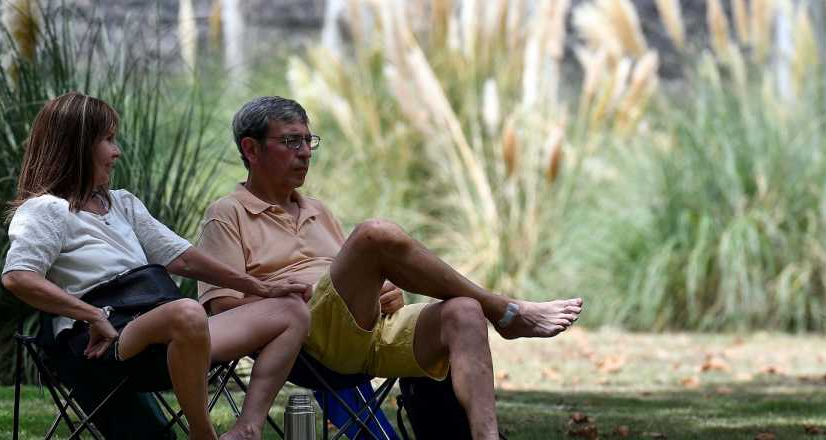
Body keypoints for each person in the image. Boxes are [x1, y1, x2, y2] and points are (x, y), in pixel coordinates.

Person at [196, 96, 585, 440]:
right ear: (251, 149)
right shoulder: (226, 215)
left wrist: (378, 291)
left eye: (308, 141)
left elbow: (345, 278)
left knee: (463, 312)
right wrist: (288, 293)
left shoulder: (318, 210)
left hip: (369, 331)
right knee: (374, 234)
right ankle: (504, 309)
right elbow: (221, 311)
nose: (305, 152)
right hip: (305, 339)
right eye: (290, 141)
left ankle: (486, 434)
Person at [1, 92, 311, 440]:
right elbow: (18, 277)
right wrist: (91, 315)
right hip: (106, 338)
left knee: (290, 311)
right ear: (77, 144)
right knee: (187, 313)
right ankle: (202, 435)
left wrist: (261, 288)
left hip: (167, 329)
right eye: (107, 140)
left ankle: (247, 428)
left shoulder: (122, 204)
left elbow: (184, 259)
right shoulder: (46, 209)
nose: (116, 151)